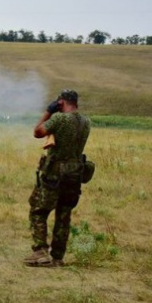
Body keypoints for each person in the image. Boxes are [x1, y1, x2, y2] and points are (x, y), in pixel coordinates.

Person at [24, 89, 91, 267]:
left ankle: (40, 251)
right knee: (64, 215)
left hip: (54, 174)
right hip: (75, 174)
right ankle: (58, 257)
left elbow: (38, 132)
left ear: (61, 102)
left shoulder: (60, 119)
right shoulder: (86, 121)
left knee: (38, 210)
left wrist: (48, 111)